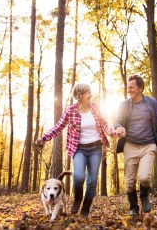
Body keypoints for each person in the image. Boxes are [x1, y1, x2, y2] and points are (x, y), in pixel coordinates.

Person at [35, 83, 115, 218]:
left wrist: (113, 132)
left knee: (92, 181)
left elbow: (105, 123)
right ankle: (78, 198)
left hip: (96, 147)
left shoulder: (95, 107)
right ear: (80, 96)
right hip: (79, 149)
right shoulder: (70, 111)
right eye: (88, 93)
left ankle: (86, 207)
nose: (91, 95)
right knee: (78, 177)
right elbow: (58, 127)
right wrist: (44, 138)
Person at [114, 74, 157, 216]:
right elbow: (118, 121)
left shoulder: (151, 103)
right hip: (130, 145)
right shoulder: (124, 104)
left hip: (148, 145)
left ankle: (144, 195)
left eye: (131, 87)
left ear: (140, 88)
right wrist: (119, 127)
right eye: (128, 87)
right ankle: (133, 206)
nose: (129, 89)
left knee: (144, 177)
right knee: (130, 181)